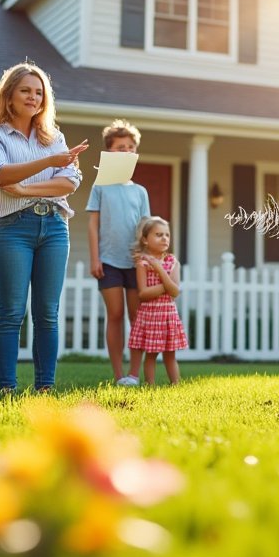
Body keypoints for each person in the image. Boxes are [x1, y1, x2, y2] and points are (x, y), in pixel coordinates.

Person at [0, 63, 90, 394]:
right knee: (12, 312)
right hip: (12, 229)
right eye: (25, 90)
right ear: (9, 96)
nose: (33, 97)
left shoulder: (55, 138)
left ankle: (45, 388)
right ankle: (7, 388)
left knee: (47, 314)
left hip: (54, 227)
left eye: (39, 92)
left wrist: (26, 191)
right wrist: (49, 164)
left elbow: (68, 183)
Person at [85, 119, 151, 386]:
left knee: (137, 317)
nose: (125, 151)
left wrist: (147, 259)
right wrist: (94, 257)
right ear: (109, 152)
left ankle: (134, 374)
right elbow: (93, 224)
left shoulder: (140, 191)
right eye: (120, 147)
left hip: (136, 264)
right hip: (108, 262)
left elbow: (146, 226)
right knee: (115, 315)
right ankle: (118, 374)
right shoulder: (100, 187)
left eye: (130, 147)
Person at [130, 216, 187, 385]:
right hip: (150, 315)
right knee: (151, 354)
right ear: (145, 240)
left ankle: (176, 385)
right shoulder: (142, 264)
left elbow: (175, 292)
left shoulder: (172, 261)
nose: (164, 238)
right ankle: (150, 385)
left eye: (167, 235)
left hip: (168, 314)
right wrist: (167, 285)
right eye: (158, 234)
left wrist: (158, 268)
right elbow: (144, 294)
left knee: (170, 354)